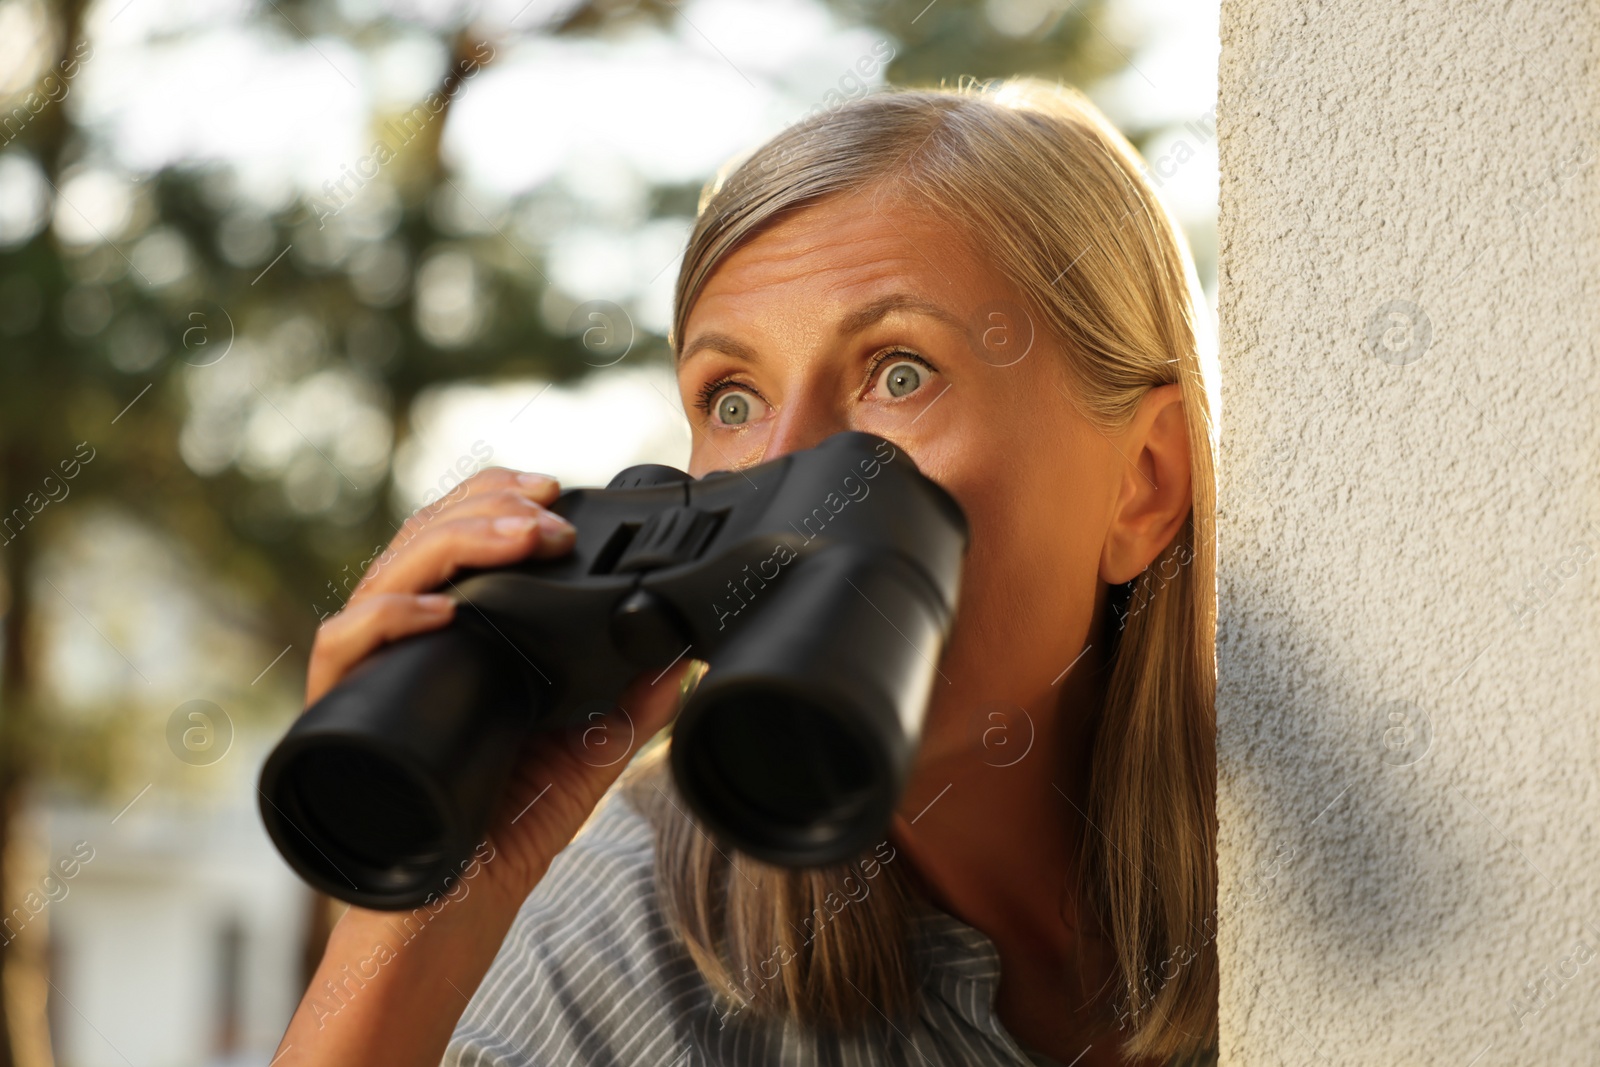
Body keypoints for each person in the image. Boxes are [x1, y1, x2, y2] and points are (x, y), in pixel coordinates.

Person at [274, 78, 1219, 1067]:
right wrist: (416, 919)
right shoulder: (635, 930)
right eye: (732, 398)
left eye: (900, 372)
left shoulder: (1310, 850)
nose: (783, 467)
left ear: (1142, 485)